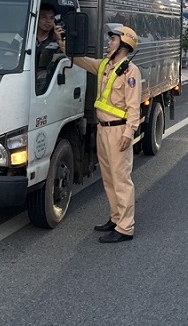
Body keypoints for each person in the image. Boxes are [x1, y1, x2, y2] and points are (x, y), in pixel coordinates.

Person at [56, 24, 142, 244]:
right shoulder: (105, 65)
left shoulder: (130, 71)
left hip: (119, 131)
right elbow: (81, 60)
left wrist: (129, 132)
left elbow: (134, 106)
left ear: (123, 44)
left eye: (112, 40)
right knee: (109, 179)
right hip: (103, 130)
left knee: (121, 179)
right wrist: (61, 42)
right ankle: (115, 218)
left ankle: (125, 227)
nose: (108, 43)